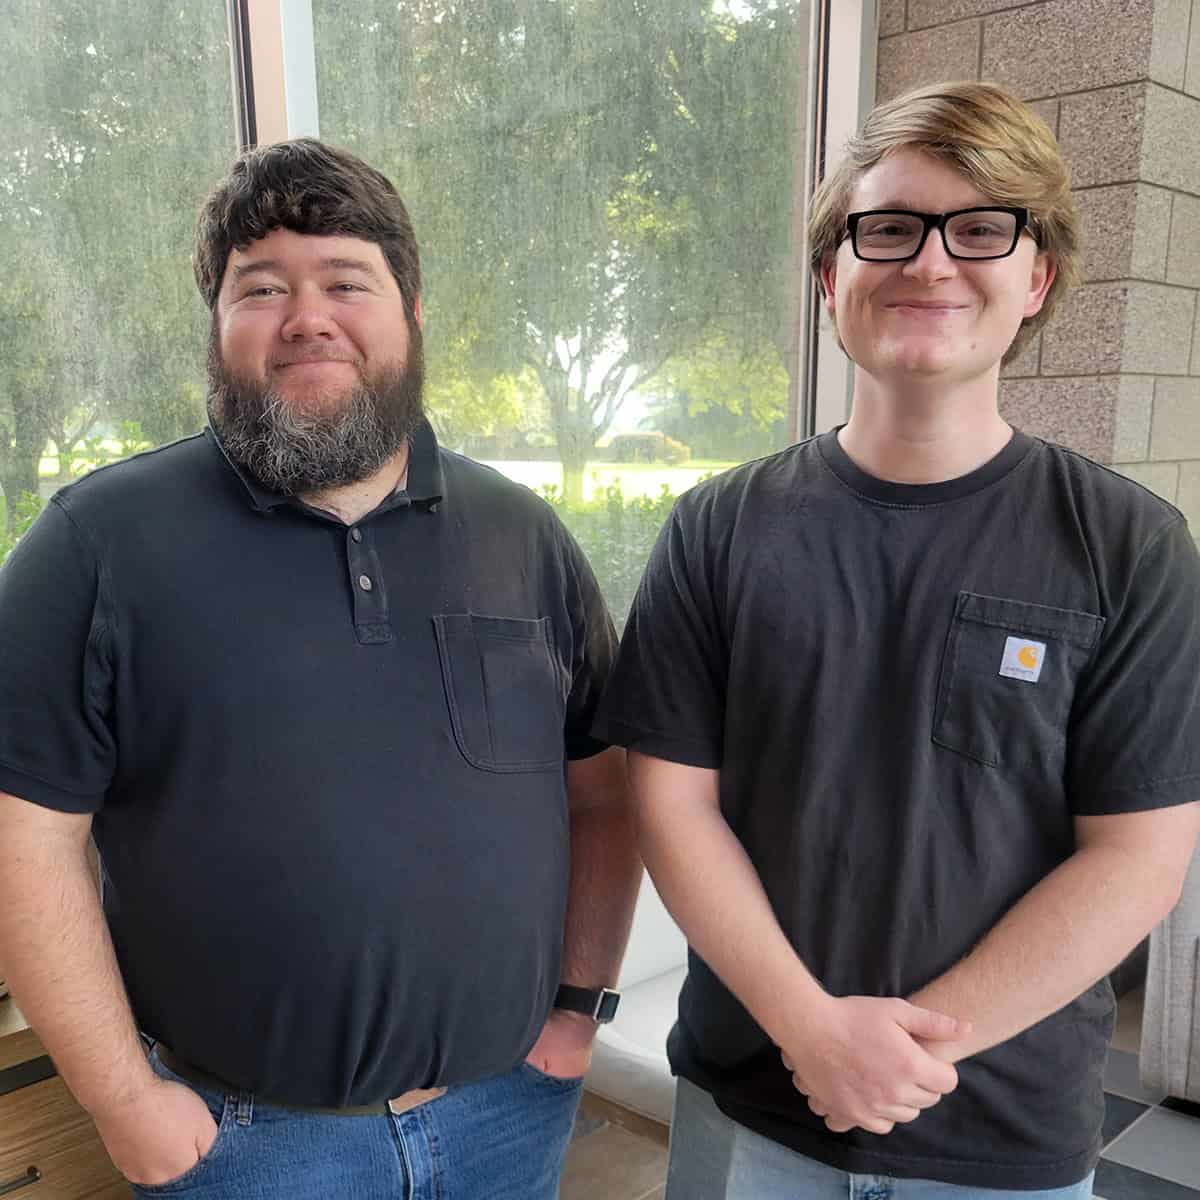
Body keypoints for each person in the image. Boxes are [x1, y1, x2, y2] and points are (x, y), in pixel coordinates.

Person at [0, 138, 641, 1199]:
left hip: (505, 1116)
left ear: (413, 312)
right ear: (217, 327)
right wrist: (121, 1098)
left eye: (348, 279)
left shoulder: (523, 537)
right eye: (262, 288)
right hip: (247, 1146)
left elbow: (603, 796)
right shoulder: (95, 546)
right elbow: (25, 841)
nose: (308, 315)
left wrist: (579, 1008)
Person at [592, 81, 1200, 1197]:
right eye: (889, 229)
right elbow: (670, 805)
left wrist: (907, 1055)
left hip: (1000, 1131)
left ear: (1038, 278)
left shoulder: (1130, 547)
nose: (929, 263)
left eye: (980, 230)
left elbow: (1139, 856)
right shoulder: (720, 528)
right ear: (833, 277)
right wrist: (811, 1029)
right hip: (749, 1101)